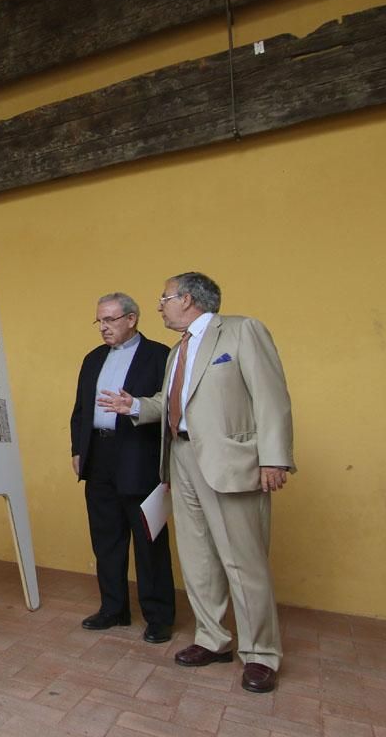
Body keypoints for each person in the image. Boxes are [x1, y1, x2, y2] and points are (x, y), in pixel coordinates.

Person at [99, 272, 294, 693]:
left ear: (187, 299)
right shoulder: (177, 351)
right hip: (181, 459)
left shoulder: (243, 331)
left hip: (230, 462)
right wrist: (135, 405)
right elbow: (174, 405)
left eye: (164, 298)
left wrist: (275, 458)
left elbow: (271, 396)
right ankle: (213, 639)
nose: (159, 305)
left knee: (244, 561)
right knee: (197, 558)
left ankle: (260, 653)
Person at [70, 293, 174, 644]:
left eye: (111, 320)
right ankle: (113, 609)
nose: (104, 327)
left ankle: (158, 616)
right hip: (98, 455)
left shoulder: (160, 355)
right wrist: (77, 450)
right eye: (100, 320)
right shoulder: (93, 358)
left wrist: (132, 408)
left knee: (149, 540)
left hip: (139, 455)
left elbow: (171, 409)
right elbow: (81, 410)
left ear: (132, 319)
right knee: (106, 539)